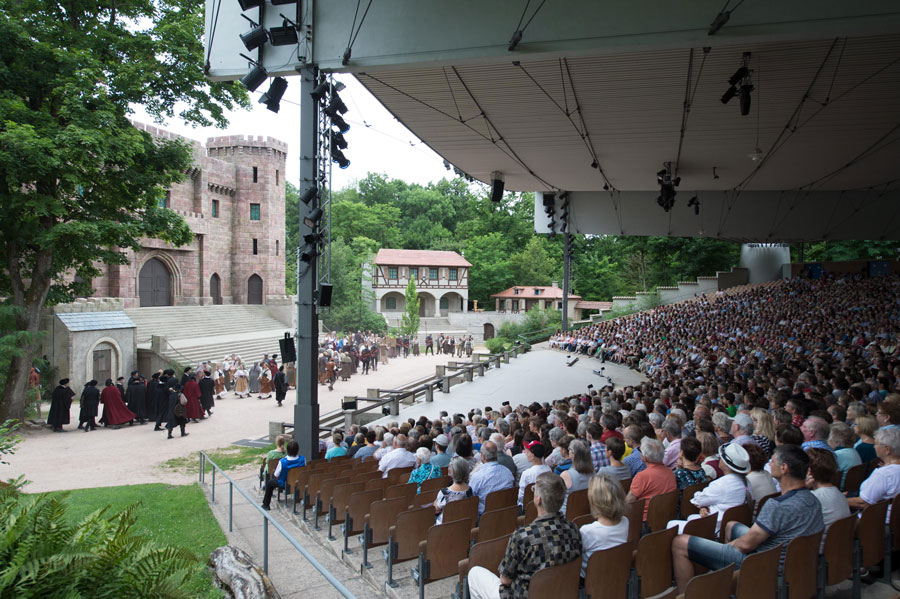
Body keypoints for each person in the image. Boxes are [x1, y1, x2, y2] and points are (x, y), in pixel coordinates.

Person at [671, 445, 825, 594]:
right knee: (731, 525)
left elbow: (746, 545)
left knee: (680, 542)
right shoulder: (813, 500)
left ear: (784, 468)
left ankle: (686, 595)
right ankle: (729, 583)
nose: (769, 464)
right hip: (792, 561)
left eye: (772, 461)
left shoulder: (777, 505)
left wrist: (727, 547)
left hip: (765, 565)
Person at [467, 472, 582, 599]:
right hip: (559, 593)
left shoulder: (523, 536)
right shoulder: (574, 530)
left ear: (538, 499)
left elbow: (505, 580)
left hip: (522, 596)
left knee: (474, 573)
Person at [579, 474, 629, 578]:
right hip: (617, 577)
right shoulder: (625, 522)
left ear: (594, 500)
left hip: (589, 583)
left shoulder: (587, 531)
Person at [848, 426, 900, 511]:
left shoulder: (884, 474)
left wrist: (838, 501)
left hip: (879, 520)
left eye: (876, 444)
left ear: (887, 449)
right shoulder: (889, 471)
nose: (874, 447)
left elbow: (862, 503)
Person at [805, 448, 850, 544]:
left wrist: (802, 488)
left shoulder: (813, 498)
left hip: (818, 551)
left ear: (809, 471)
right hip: (839, 548)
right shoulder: (838, 493)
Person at [626, 438, 676, 522]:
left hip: (644, 520)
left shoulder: (642, 476)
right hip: (666, 516)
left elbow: (629, 501)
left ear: (644, 458)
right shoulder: (670, 472)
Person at [469, 440, 515, 514]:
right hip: (506, 513)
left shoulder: (477, 476)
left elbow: (471, 498)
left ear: (483, 456)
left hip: (485, 517)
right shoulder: (508, 472)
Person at [262, 440, 306, 510]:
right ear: (297, 450)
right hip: (298, 483)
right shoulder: (303, 459)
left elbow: (276, 474)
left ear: (287, 450)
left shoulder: (282, 461)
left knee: (269, 483)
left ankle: (266, 504)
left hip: (284, 483)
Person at [434, 457, 473, 524]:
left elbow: (436, 510)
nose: (449, 468)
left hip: (445, 525)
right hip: (462, 523)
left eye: (450, 467)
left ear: (453, 471)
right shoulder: (470, 490)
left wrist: (435, 501)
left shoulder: (444, 493)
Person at [560, 439, 594, 514]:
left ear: (573, 454)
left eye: (569, 449)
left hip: (567, 516)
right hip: (587, 514)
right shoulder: (594, 474)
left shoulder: (566, 475)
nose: (568, 451)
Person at [518, 440, 551, 506]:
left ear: (533, 455)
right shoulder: (549, 469)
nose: (526, 454)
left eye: (528, 452)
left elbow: (521, 497)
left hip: (528, 507)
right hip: (546, 504)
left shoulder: (526, 474)